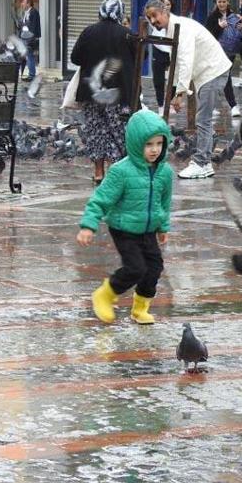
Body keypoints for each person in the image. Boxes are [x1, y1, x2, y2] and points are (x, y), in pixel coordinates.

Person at [77, 109, 173, 325]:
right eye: (149, 144)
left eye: (159, 143)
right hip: (124, 228)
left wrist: (163, 226)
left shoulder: (165, 172)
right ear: (135, 143)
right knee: (136, 268)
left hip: (148, 229)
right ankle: (105, 294)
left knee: (154, 267)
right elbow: (100, 199)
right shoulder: (121, 171)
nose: (155, 150)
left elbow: (164, 201)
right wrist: (88, 226)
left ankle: (140, 309)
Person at [145, 0, 232, 180]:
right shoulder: (172, 29)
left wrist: (180, 93)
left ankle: (201, 163)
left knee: (203, 119)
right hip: (207, 73)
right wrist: (176, 92)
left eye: (155, 16)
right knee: (204, 119)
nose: (153, 21)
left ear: (164, 12)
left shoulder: (181, 27)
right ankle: (204, 157)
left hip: (213, 71)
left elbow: (185, 60)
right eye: (149, 18)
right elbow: (176, 62)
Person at [70, 0, 136, 185]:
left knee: (95, 131)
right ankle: (115, 173)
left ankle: (99, 172)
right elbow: (142, 56)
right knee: (117, 132)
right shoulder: (126, 34)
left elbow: (75, 58)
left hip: (92, 94)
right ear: (120, 13)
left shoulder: (88, 32)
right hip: (117, 94)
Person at [204, 0, 241, 116]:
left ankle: (216, 106)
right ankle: (232, 106)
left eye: (224, 1)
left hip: (231, 51)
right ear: (216, 2)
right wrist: (219, 27)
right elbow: (208, 35)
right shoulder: (212, 17)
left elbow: (240, 33)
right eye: (219, 2)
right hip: (217, 52)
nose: (221, 4)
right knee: (224, 79)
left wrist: (241, 28)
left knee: (224, 79)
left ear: (228, 2)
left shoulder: (233, 16)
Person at [150, 0, 175, 112]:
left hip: (171, 51)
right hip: (158, 50)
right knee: (158, 80)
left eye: (168, 4)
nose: (165, 6)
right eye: (163, 4)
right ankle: (161, 105)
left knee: (175, 78)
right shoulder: (154, 17)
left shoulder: (175, 19)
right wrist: (157, 1)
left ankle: (169, 102)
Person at [19, 0, 41, 81]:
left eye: (24, 3)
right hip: (24, 37)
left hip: (29, 38)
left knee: (30, 56)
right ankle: (26, 73)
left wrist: (30, 38)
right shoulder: (26, 12)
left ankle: (31, 75)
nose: (22, 4)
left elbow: (33, 27)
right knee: (25, 56)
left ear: (28, 4)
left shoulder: (33, 12)